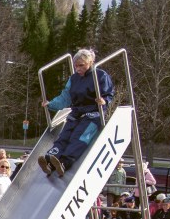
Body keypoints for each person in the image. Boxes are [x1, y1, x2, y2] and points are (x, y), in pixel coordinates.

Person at [39, 48, 114, 177]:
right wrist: (51, 104)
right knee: (64, 136)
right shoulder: (73, 79)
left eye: (81, 65)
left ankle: (64, 162)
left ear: (90, 62)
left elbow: (109, 93)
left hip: (93, 114)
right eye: (76, 66)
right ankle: (51, 159)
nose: (78, 69)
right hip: (77, 112)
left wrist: (104, 101)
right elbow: (65, 97)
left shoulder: (100, 75)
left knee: (78, 138)